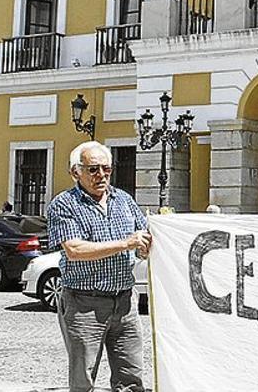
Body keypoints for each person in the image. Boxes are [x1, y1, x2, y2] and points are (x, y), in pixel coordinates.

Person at [46, 141, 152, 392]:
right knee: (83, 381)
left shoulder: (124, 200)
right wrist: (127, 243)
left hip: (125, 303)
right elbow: (74, 250)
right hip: (85, 305)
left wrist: (145, 247)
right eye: (93, 169)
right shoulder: (64, 204)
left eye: (106, 168)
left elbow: (142, 237)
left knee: (131, 379)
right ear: (75, 172)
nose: (101, 175)